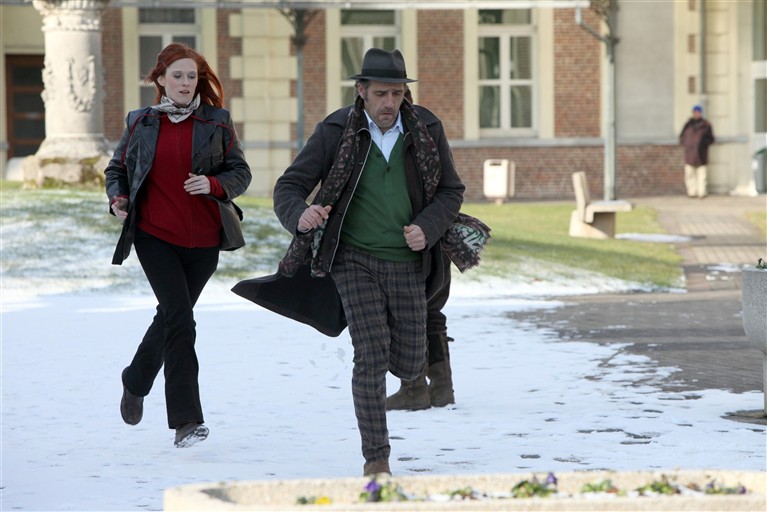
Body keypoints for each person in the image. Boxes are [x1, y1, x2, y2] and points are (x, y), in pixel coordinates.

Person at [272, 48, 465, 476]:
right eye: (380, 93)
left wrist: (427, 227)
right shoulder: (337, 130)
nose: (389, 103)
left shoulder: (427, 129)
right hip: (352, 258)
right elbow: (289, 186)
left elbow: (451, 191)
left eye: (397, 93)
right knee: (370, 354)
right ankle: (376, 458)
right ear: (361, 91)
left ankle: (410, 375)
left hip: (408, 261)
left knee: (411, 361)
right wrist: (300, 216)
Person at [105, 43, 252, 448]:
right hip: (155, 237)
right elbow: (117, 168)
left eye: (192, 76)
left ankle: (135, 379)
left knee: (172, 316)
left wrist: (214, 184)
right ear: (160, 80)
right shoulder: (141, 122)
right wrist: (117, 199)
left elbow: (240, 171)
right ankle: (186, 421)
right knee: (181, 320)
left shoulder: (217, 122)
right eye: (178, 76)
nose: (186, 83)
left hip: (204, 242)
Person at [386, 247, 456, 411]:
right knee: (432, 310)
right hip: (441, 240)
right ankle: (441, 389)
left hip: (414, 244)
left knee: (408, 313)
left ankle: (414, 390)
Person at [679, 105, 715, 198]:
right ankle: (692, 192)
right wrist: (687, 144)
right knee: (689, 174)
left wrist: (702, 144)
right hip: (689, 154)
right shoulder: (688, 125)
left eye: (698, 112)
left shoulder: (706, 125)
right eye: (695, 112)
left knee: (702, 175)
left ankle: (701, 192)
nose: (696, 114)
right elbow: (682, 137)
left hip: (701, 154)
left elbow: (711, 139)